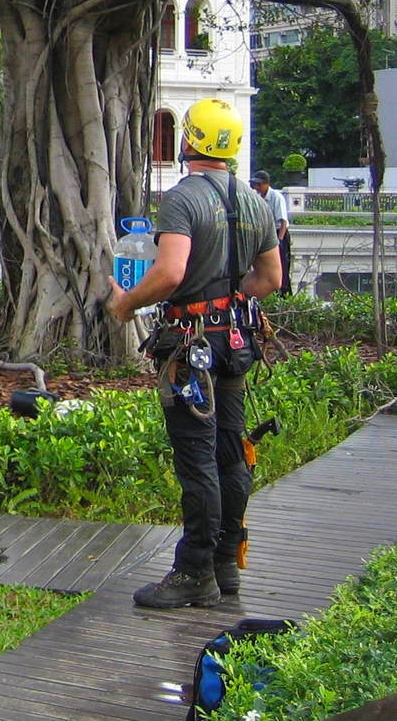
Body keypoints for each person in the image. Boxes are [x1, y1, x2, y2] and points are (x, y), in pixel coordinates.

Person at [108, 97, 280, 609]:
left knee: (198, 460)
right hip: (235, 344)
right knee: (230, 452)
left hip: (191, 346)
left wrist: (126, 305)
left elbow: (170, 274)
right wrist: (232, 297)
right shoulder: (255, 201)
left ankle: (194, 572)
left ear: (189, 141)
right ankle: (226, 564)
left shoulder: (182, 199)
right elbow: (271, 279)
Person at [249, 169, 292, 296]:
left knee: (282, 266)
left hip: (279, 233)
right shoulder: (259, 197)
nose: (257, 187)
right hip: (267, 233)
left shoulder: (276, 197)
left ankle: (283, 293)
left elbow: (283, 221)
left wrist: (279, 241)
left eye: (259, 184)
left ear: (266, 184)